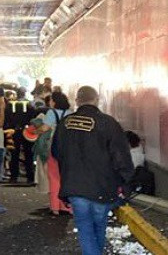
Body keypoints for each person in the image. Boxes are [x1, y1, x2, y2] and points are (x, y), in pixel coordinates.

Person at [52, 86, 134, 255]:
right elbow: (121, 156)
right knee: (99, 226)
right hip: (102, 187)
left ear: (77, 101)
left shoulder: (65, 123)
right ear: (97, 100)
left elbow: (56, 152)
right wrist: (126, 181)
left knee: (85, 229)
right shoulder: (109, 123)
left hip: (74, 185)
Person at [33, 91, 72, 215]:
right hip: (68, 149)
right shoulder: (70, 113)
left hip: (54, 147)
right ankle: (67, 207)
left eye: (51, 100)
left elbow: (44, 128)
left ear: (54, 101)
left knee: (54, 177)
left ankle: (55, 207)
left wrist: (35, 131)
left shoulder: (51, 112)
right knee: (66, 177)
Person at [7, 88, 35, 184]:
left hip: (14, 131)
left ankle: (13, 176)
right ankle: (30, 177)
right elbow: (33, 118)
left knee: (14, 154)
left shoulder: (11, 104)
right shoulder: (29, 104)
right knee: (28, 154)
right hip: (26, 131)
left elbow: (8, 118)